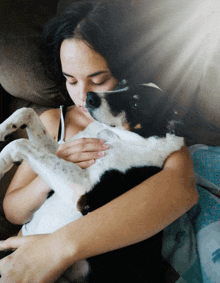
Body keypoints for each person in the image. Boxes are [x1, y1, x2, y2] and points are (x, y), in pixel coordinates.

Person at [0, 0, 198, 282]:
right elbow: (14, 211)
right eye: (71, 81)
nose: (82, 96)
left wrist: (53, 249)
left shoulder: (151, 123)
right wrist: (51, 171)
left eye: (99, 79)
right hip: (20, 258)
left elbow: (182, 188)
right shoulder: (54, 123)